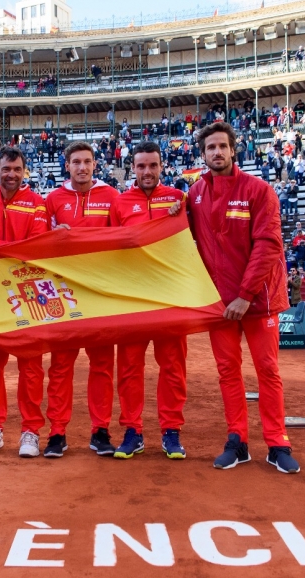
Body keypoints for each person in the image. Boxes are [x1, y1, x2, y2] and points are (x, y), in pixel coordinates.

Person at [187, 121, 299, 474]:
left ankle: (277, 442)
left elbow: (268, 246)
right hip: (220, 305)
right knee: (227, 372)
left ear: (233, 150)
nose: (216, 152)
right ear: (202, 154)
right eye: (210, 148)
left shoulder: (259, 190)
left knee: (267, 370)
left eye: (222, 146)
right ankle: (237, 440)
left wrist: (245, 296)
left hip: (257, 301)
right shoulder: (195, 195)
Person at [109, 141, 188, 460]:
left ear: (161, 166)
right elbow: (110, 247)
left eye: (152, 166)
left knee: (173, 366)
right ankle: (133, 431)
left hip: (171, 296)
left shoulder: (178, 198)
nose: (147, 172)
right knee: (129, 368)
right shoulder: (120, 203)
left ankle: (171, 431)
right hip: (133, 297)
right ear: (132, 168)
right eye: (141, 166)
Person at [44, 141, 119, 458]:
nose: (82, 167)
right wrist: (53, 234)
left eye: (87, 161)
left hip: (100, 293)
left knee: (102, 365)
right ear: (67, 165)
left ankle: (100, 431)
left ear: (94, 165)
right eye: (76, 162)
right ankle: (56, 432)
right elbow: (40, 243)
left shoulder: (111, 197)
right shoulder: (53, 199)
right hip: (64, 294)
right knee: (61, 366)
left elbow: (124, 239)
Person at [0, 147, 49, 458]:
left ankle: (30, 431)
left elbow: (35, 248)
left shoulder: (37, 204)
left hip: (28, 296)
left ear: (24, 171)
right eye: (6, 168)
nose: (11, 174)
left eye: (17, 169)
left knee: (31, 367)